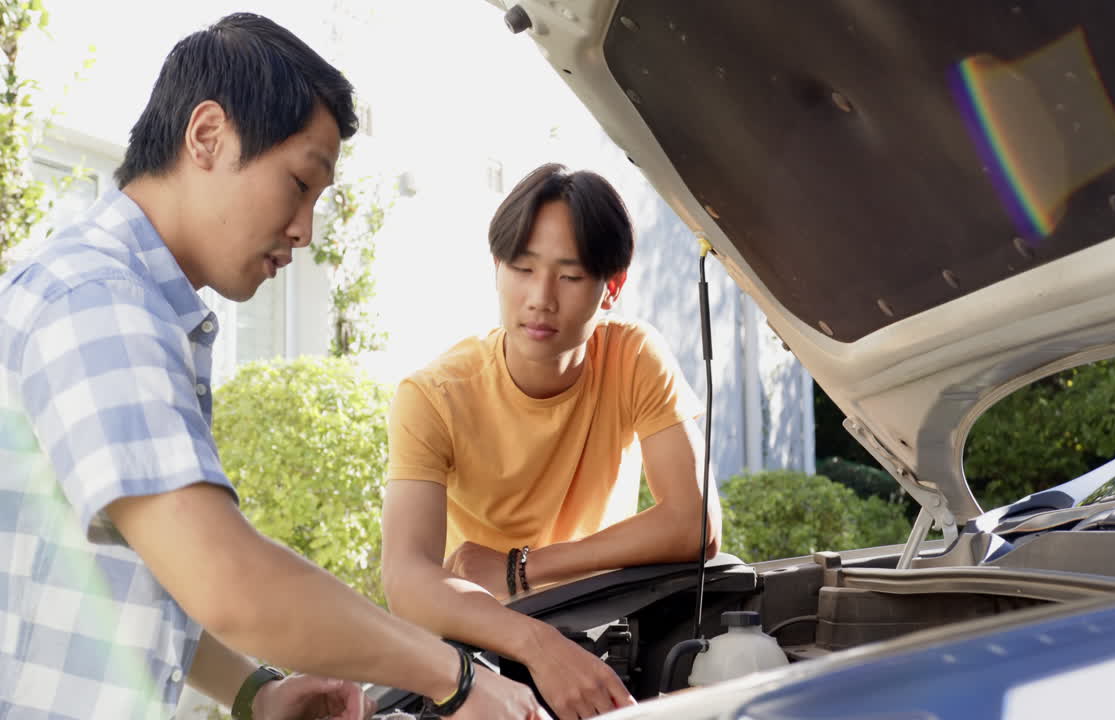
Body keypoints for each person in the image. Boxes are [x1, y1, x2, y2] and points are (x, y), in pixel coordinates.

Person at [0, 13, 544, 720]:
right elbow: (225, 578)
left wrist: (255, 691)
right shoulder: (97, 302)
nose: (305, 231)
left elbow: (127, 576)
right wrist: (458, 679)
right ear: (207, 136)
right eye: (298, 183)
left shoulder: (124, 302)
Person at [381, 163, 723, 719]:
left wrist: (522, 567)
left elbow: (696, 525)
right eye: (522, 268)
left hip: (605, 625)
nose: (540, 298)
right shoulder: (433, 395)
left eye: (569, 276)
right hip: (481, 642)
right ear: (497, 270)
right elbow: (406, 579)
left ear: (612, 287)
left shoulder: (634, 356)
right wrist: (538, 646)